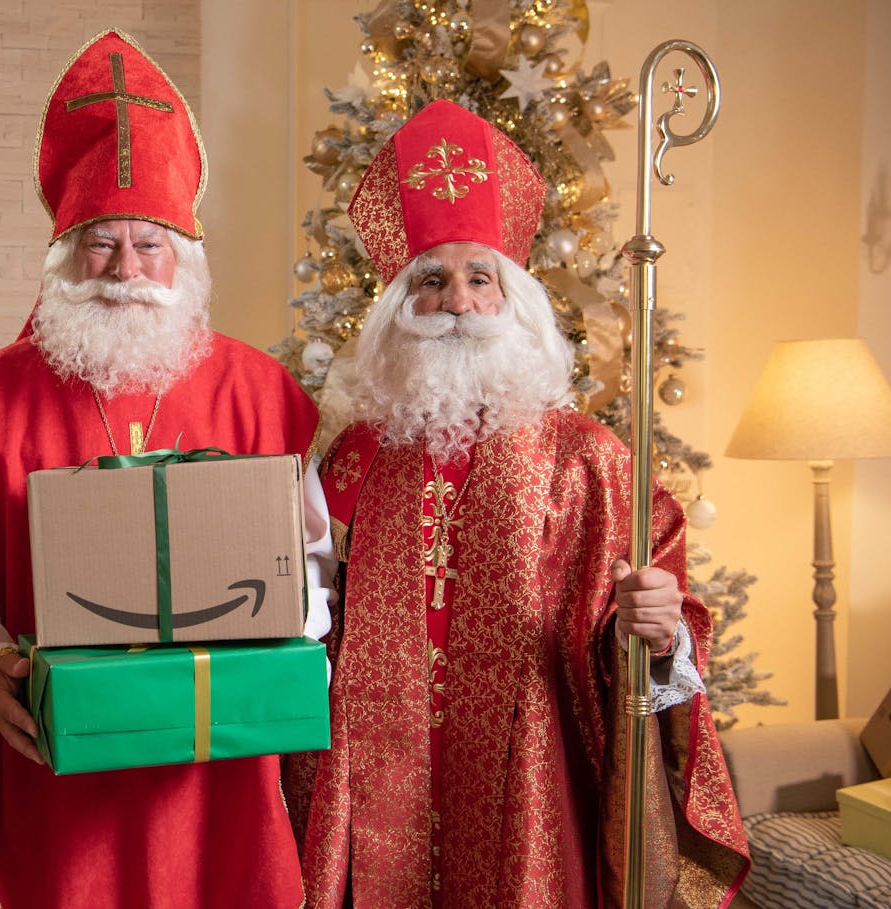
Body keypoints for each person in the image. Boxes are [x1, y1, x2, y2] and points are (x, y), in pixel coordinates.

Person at [287, 99, 749, 907]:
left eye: (480, 279)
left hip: (534, 799)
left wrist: (661, 630)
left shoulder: (590, 461)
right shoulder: (353, 458)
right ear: (399, 310)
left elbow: (657, 659)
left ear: (515, 305)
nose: (459, 303)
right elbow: (304, 616)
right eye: (431, 281)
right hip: (373, 794)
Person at [0, 28, 332, 909]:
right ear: (63, 258)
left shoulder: (264, 393)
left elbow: (318, 563)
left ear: (185, 262)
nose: (126, 271)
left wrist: (294, 624)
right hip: (55, 760)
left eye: (150, 246)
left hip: (217, 766)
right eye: (102, 245)